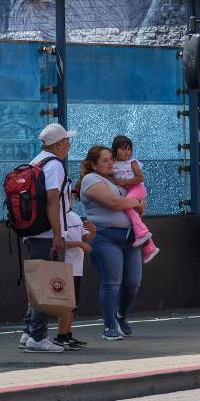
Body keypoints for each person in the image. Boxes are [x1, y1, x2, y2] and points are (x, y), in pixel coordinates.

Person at [78, 145, 146, 341]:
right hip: (105, 237)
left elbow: (138, 198)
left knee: (133, 282)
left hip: (130, 237)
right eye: (105, 160)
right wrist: (136, 202)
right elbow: (114, 203)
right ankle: (109, 326)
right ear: (94, 164)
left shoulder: (118, 180)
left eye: (111, 159)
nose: (110, 163)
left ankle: (121, 314)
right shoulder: (91, 179)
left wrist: (138, 203)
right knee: (112, 282)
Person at [19, 123, 76, 353]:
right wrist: (57, 235)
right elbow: (52, 201)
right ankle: (38, 337)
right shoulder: (54, 165)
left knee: (37, 284)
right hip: (46, 234)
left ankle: (28, 332)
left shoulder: (36, 161)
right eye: (67, 141)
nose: (69, 145)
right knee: (47, 285)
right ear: (59, 144)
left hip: (32, 232)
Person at [109, 135, 160, 264]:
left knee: (126, 206)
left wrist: (124, 182)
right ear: (115, 150)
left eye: (129, 149)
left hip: (138, 189)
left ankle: (142, 233)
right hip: (129, 193)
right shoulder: (113, 165)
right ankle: (150, 248)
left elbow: (140, 178)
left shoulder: (133, 163)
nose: (127, 152)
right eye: (123, 149)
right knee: (134, 217)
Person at [55, 211, 94, 349]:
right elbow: (59, 242)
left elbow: (87, 238)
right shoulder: (57, 218)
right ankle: (61, 337)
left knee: (73, 306)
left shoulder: (75, 216)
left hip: (77, 268)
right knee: (67, 305)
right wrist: (79, 244)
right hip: (65, 266)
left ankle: (67, 335)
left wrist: (93, 231)